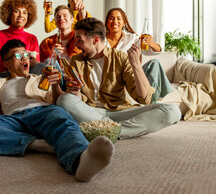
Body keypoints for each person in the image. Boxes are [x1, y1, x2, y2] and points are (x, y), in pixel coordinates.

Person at [0, 39, 114, 182]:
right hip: (13, 121)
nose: (25, 58)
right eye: (18, 56)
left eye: (26, 54)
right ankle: (38, 144)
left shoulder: (40, 77)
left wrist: (55, 85)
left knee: (62, 120)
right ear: (6, 63)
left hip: (43, 112)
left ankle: (81, 160)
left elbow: (59, 101)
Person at [47, 18, 181, 139]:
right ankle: (115, 129)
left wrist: (136, 66)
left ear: (95, 40)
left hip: (120, 111)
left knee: (172, 111)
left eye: (79, 40)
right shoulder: (76, 60)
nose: (75, 45)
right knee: (65, 99)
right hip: (91, 112)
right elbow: (78, 100)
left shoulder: (120, 58)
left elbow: (144, 98)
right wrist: (75, 92)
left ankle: (112, 131)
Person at [0, 0, 44, 95]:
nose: (21, 15)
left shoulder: (32, 38)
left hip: (25, 77)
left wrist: (31, 59)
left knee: (42, 66)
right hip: (2, 77)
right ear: (8, 14)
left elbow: (35, 66)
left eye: (25, 13)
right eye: (17, 11)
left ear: (29, 16)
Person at [104, 8, 173, 102]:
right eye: (111, 18)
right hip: (112, 78)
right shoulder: (100, 40)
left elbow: (158, 50)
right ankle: (153, 102)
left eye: (118, 18)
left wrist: (151, 43)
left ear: (124, 22)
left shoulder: (131, 38)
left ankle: (154, 101)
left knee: (155, 63)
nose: (115, 21)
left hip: (132, 76)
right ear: (107, 22)